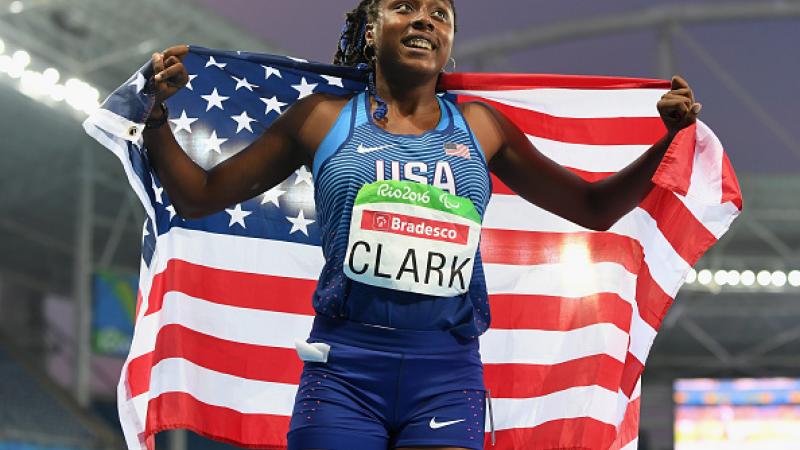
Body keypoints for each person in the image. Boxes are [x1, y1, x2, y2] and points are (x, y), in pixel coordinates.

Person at [143, 1, 700, 449]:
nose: (424, 20)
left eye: (440, 13)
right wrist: (157, 116)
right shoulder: (321, 119)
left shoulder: (481, 127)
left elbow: (594, 208)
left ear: (449, 41)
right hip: (342, 372)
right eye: (404, 7)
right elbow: (199, 197)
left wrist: (669, 143)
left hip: (446, 374)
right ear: (371, 29)